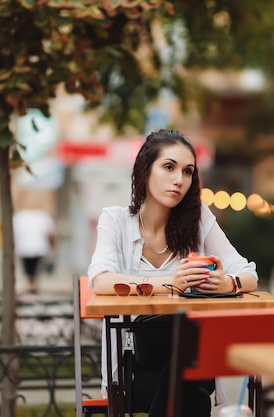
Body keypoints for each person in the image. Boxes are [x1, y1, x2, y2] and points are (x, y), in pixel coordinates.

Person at [87, 129, 258, 417]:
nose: (180, 180)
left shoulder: (199, 218)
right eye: (169, 167)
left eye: (188, 171)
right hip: (138, 366)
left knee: (183, 355)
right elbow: (102, 280)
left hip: (195, 358)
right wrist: (171, 284)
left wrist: (226, 283)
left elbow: (248, 273)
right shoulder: (115, 220)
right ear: (144, 170)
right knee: (192, 399)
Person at [13, 196, 56, 293]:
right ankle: (31, 283)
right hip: (26, 248)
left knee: (34, 268)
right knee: (29, 268)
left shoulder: (41, 216)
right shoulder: (21, 217)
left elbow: (50, 233)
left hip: (37, 248)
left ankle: (32, 283)